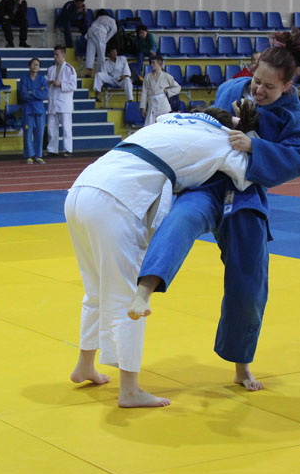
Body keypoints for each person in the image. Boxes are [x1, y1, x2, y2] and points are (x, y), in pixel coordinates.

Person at [128, 29, 300, 394]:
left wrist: (256, 147)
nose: (259, 90)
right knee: (180, 220)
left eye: (270, 87)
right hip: (209, 182)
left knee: (249, 280)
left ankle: (241, 365)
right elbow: (207, 125)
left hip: (247, 195)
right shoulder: (232, 90)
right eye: (257, 81)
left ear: (287, 86)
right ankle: (145, 289)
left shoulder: (294, 116)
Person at [66, 107, 261, 408]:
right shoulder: (219, 138)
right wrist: (252, 142)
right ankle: (129, 390)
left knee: (95, 288)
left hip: (81, 189)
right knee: (129, 297)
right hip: (115, 201)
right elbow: (249, 174)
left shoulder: (171, 120)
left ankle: (85, 365)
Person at [46, 44, 77, 157]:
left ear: (63, 55)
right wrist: (49, 83)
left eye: (57, 54)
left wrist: (61, 84)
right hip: (53, 101)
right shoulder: (50, 69)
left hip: (64, 102)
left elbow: (73, 86)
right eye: (54, 54)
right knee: (51, 128)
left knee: (66, 128)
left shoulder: (70, 69)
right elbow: (47, 84)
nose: (55, 57)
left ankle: (67, 149)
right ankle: (52, 149)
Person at [19, 57, 48, 164]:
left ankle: (38, 155)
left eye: (37, 65)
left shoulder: (42, 80)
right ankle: (29, 155)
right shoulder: (24, 80)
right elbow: (24, 95)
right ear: (29, 66)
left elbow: (45, 95)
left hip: (39, 110)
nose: (35, 66)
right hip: (28, 109)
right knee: (28, 133)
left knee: (39, 134)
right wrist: (37, 92)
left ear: (39, 67)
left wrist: (32, 92)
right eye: (33, 64)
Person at [140, 55, 181, 125]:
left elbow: (178, 87)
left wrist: (168, 91)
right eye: (151, 63)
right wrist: (143, 107)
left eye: (153, 63)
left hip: (163, 104)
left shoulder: (166, 76)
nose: (151, 65)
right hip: (152, 104)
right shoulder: (147, 77)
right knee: (149, 126)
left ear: (159, 63)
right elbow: (144, 92)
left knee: (165, 125)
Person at [84, 9, 117, 77]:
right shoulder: (112, 20)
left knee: (90, 52)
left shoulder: (98, 18)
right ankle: (99, 73)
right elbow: (114, 30)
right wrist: (106, 40)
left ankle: (89, 72)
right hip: (100, 33)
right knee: (101, 54)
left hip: (90, 32)